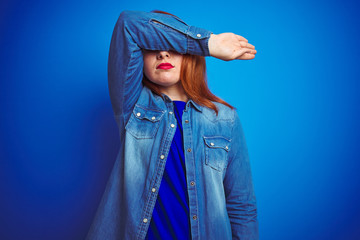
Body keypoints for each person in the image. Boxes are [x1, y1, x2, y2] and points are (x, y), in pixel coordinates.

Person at [86, 9, 258, 240]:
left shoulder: (225, 119)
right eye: (152, 47)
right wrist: (210, 43)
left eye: (173, 47)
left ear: (189, 55)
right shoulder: (133, 103)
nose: (163, 53)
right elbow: (128, 24)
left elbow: (242, 206)